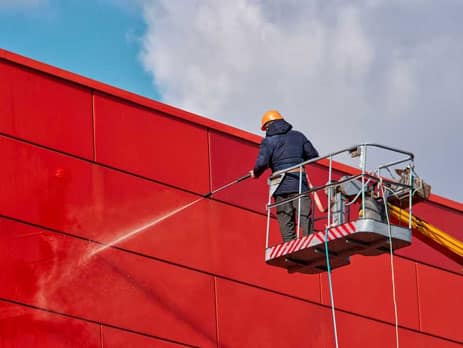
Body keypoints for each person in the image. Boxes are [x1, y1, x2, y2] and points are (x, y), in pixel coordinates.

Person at [250, 110, 319, 242]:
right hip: (299, 183)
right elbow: (313, 155)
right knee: (304, 215)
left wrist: (256, 173)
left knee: (285, 217)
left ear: (268, 125)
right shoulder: (299, 136)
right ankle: (309, 241)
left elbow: (262, 163)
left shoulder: (268, 141)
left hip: (280, 186)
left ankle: (289, 245)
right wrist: (297, 158)